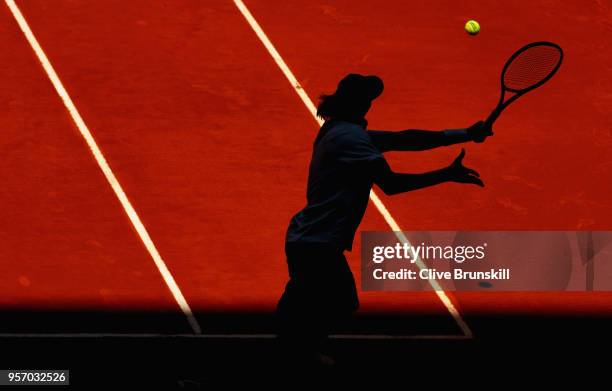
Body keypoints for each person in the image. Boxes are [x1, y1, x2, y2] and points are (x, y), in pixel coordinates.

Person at [276, 73, 492, 366]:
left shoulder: (336, 130)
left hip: (306, 238)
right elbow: (392, 185)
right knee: (341, 303)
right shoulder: (353, 140)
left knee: (305, 297)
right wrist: (446, 174)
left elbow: (405, 139)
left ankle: (290, 345)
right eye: (367, 100)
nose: (370, 106)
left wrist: (465, 133)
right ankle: (299, 351)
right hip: (320, 243)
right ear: (358, 105)